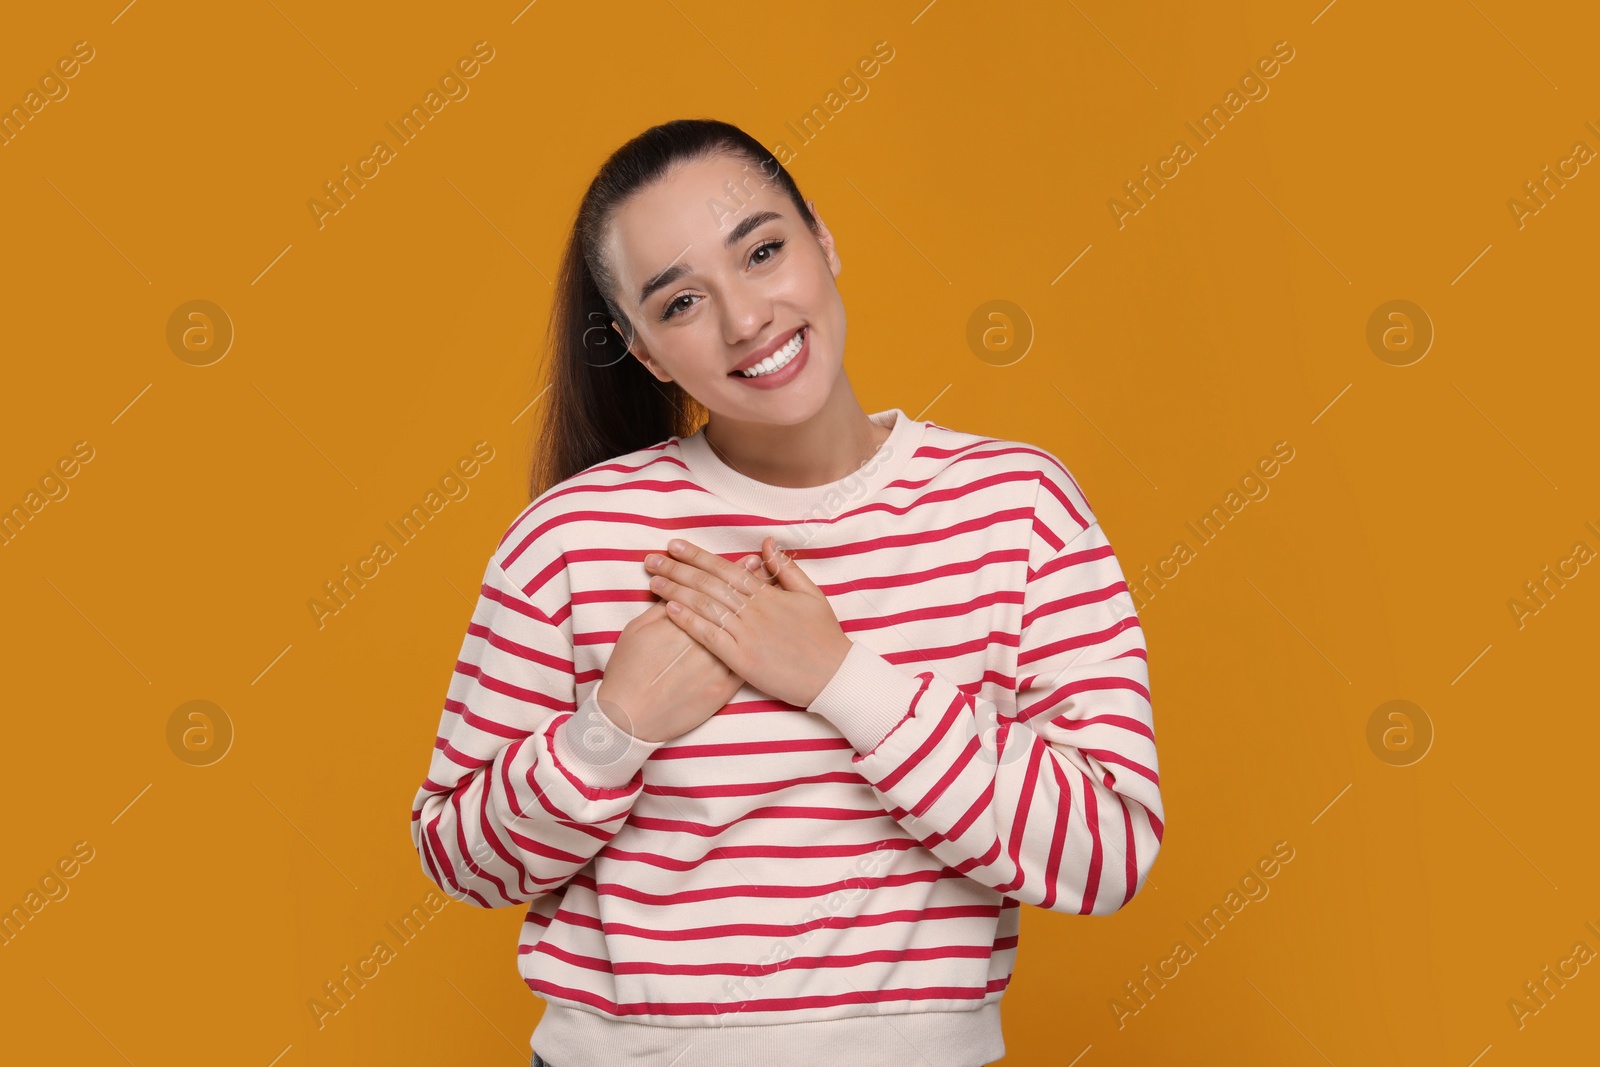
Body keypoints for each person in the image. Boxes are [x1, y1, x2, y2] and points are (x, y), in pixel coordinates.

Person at [409, 118, 1165, 1067]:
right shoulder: (573, 538)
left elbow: (1108, 849)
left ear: (824, 241)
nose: (744, 320)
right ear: (643, 352)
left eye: (762, 251)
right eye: (681, 302)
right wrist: (617, 724)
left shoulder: (1014, 508)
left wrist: (845, 681)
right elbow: (461, 858)